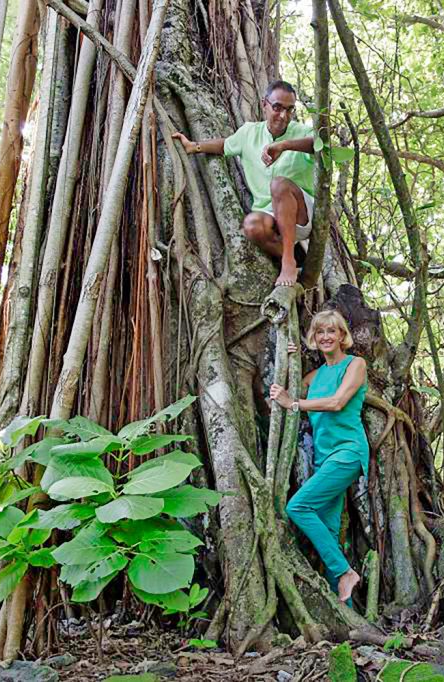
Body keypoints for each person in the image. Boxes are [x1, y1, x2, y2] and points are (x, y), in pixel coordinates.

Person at [171, 80, 316, 287]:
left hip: (301, 213)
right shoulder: (249, 133)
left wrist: (284, 145)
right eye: (277, 107)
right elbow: (226, 145)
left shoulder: (301, 132)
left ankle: (288, 262)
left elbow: (320, 144)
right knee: (252, 225)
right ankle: (293, 255)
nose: (283, 115)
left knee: (279, 185)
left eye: (289, 110)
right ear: (264, 104)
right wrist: (194, 147)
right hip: (270, 216)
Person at [269, 310, 367, 603]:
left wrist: (295, 404)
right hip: (324, 460)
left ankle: (346, 573)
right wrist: (290, 357)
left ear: (341, 336)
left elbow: (337, 403)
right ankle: (346, 615)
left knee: (297, 507)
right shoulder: (314, 375)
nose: (326, 337)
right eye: (320, 332)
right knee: (329, 532)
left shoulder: (355, 364)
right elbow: (283, 390)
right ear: (314, 337)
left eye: (331, 331)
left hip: (348, 452)